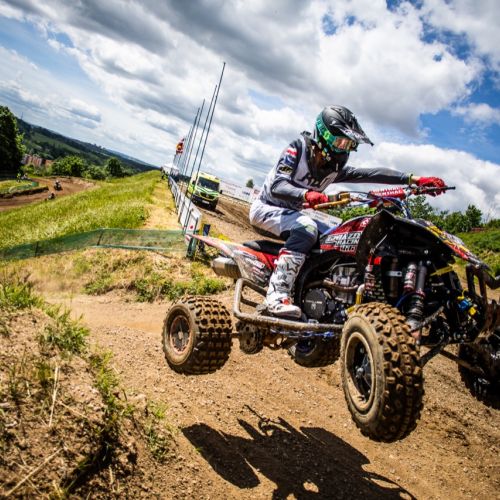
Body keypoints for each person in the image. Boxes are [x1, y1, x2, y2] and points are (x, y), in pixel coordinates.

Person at [249, 105, 445, 318]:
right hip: (267, 208)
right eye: (340, 142)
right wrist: (306, 195)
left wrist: (413, 179)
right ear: (324, 136)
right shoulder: (298, 149)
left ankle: (313, 295)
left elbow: (369, 174)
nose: (344, 149)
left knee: (338, 236)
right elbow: (278, 185)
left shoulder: (334, 170)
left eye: (349, 144)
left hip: (292, 216)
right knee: (307, 228)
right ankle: (277, 295)